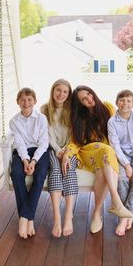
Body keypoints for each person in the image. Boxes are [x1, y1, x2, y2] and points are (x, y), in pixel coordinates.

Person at [62, 85, 133, 234]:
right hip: (89, 152)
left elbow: (120, 126)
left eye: (89, 93)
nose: (89, 98)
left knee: (104, 168)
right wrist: (67, 154)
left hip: (107, 153)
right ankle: (116, 200)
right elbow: (75, 142)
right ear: (80, 103)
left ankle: (96, 214)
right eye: (83, 99)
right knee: (107, 151)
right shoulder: (79, 118)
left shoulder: (107, 107)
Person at [10, 87, 50, 239]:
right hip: (22, 153)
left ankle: (24, 218)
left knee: (40, 175)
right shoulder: (14, 121)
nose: (26, 102)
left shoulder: (41, 119)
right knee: (16, 173)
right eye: (22, 99)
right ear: (18, 102)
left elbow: (44, 143)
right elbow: (19, 144)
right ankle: (29, 218)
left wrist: (33, 161)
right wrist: (25, 160)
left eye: (29, 99)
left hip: (40, 152)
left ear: (35, 101)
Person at [41, 79, 78, 238]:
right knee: (55, 170)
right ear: (53, 90)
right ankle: (57, 217)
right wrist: (57, 150)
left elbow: (74, 134)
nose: (61, 94)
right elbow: (47, 133)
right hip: (52, 148)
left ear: (68, 94)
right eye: (58, 90)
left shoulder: (72, 110)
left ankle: (68, 215)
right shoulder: (44, 109)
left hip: (70, 149)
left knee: (68, 170)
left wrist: (66, 152)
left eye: (65, 91)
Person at [108, 89, 133, 236]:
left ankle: (126, 215)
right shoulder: (112, 122)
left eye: (129, 100)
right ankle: (126, 216)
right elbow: (115, 146)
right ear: (117, 102)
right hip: (121, 155)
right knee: (122, 178)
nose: (125, 103)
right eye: (122, 100)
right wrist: (126, 164)